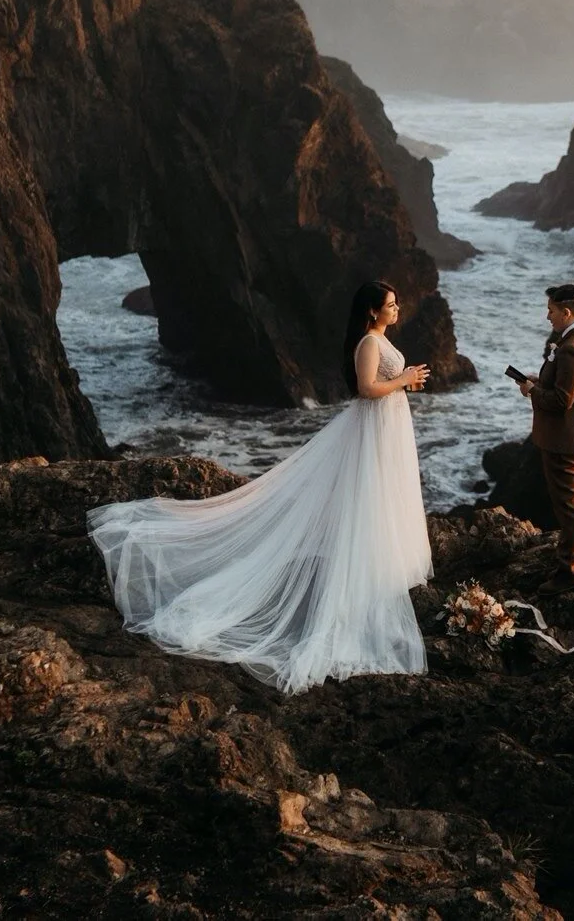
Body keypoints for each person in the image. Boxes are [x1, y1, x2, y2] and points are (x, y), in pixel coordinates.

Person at [87, 281, 432, 693]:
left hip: (387, 428)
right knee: (369, 501)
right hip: (374, 429)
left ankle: (380, 569)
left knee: (383, 500)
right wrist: (403, 378)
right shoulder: (368, 344)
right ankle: (359, 582)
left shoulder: (380, 341)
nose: (398, 309)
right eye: (391, 305)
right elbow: (365, 390)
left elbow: (382, 385)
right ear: (372, 312)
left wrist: (406, 383)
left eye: (396, 303)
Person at [517, 278, 574, 592]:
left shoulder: (572, 350)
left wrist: (532, 392)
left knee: (568, 504)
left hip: (566, 438)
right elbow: (568, 388)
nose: (547, 316)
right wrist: (538, 379)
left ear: (566, 312)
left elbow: (560, 401)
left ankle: (570, 572)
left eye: (551, 311)